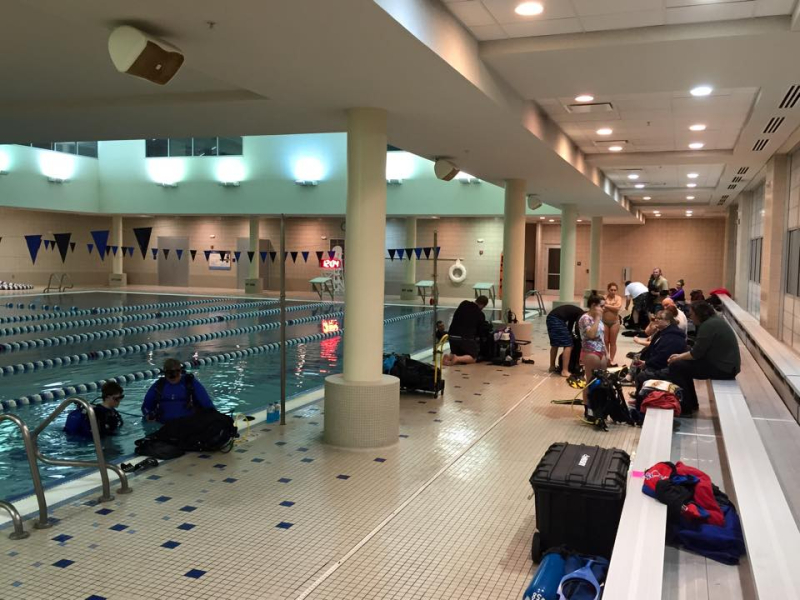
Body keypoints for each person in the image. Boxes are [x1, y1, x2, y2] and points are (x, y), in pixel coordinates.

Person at [667, 301, 741, 415]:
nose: (690, 317)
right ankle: (691, 403)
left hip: (723, 369)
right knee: (682, 365)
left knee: (676, 366)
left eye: (692, 314)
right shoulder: (714, 321)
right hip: (726, 365)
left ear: (699, 314)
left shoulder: (708, 326)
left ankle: (686, 406)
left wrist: (678, 357)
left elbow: (696, 354)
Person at [142, 358, 215, 423]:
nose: (173, 377)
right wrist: (148, 415)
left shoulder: (190, 383)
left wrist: (214, 416)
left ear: (180, 372)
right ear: (165, 374)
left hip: (188, 423)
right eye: (169, 374)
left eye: (176, 374)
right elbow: (146, 407)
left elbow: (206, 403)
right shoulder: (159, 385)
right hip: (163, 424)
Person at [632, 310, 687, 394]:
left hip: (668, 368)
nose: (656, 320)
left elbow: (663, 356)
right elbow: (651, 345)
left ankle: (641, 399)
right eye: (656, 318)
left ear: (667, 321)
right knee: (637, 358)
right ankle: (638, 396)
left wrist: (647, 364)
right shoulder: (662, 332)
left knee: (642, 376)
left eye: (660, 318)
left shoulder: (673, 337)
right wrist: (645, 362)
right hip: (660, 363)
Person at [442, 296, 488, 366]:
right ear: (483, 305)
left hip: (451, 337)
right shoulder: (480, 315)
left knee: (459, 351)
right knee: (473, 357)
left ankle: (449, 357)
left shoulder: (464, 303)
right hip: (464, 338)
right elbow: (479, 332)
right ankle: (457, 359)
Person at [579, 294, 608, 405]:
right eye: (601, 306)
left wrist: (607, 352)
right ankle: (588, 406)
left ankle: (598, 405)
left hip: (601, 351)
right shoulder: (585, 318)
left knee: (602, 380)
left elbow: (602, 337)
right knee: (591, 380)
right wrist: (597, 319)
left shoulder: (599, 319)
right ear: (593, 305)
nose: (604, 309)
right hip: (590, 352)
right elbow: (591, 334)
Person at [546, 303, 585, 377]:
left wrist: (570, 335)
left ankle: (552, 366)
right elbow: (577, 328)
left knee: (555, 344)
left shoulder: (577, 312)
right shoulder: (582, 315)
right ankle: (565, 371)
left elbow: (570, 326)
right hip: (557, 319)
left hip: (550, 317)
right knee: (569, 345)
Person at [603, 283, 623, 366]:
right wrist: (612, 307)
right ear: (608, 290)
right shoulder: (604, 297)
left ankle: (611, 359)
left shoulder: (618, 298)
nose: (613, 291)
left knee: (613, 342)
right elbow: (601, 308)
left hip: (615, 322)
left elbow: (618, 308)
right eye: (611, 290)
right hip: (604, 322)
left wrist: (606, 306)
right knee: (606, 341)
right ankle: (607, 358)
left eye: (615, 290)